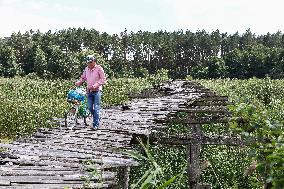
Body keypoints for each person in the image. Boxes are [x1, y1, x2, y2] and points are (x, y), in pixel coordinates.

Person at [75, 54, 106, 130]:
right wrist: (79, 82)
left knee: (96, 108)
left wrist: (95, 85)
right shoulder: (86, 69)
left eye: (90, 62)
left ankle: (95, 125)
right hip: (89, 91)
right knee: (89, 107)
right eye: (88, 63)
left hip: (97, 91)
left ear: (94, 61)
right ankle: (97, 118)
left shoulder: (99, 68)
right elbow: (83, 78)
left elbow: (103, 80)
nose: (89, 64)